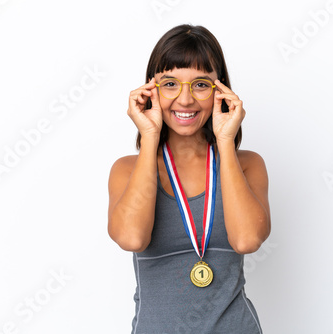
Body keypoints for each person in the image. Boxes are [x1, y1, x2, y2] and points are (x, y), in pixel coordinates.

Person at [108, 24, 271, 334]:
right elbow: (131, 238)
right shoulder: (127, 170)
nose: (184, 100)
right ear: (150, 91)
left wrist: (226, 140)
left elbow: (247, 240)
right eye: (170, 83)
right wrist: (150, 135)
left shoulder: (247, 165)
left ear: (220, 90)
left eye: (200, 84)